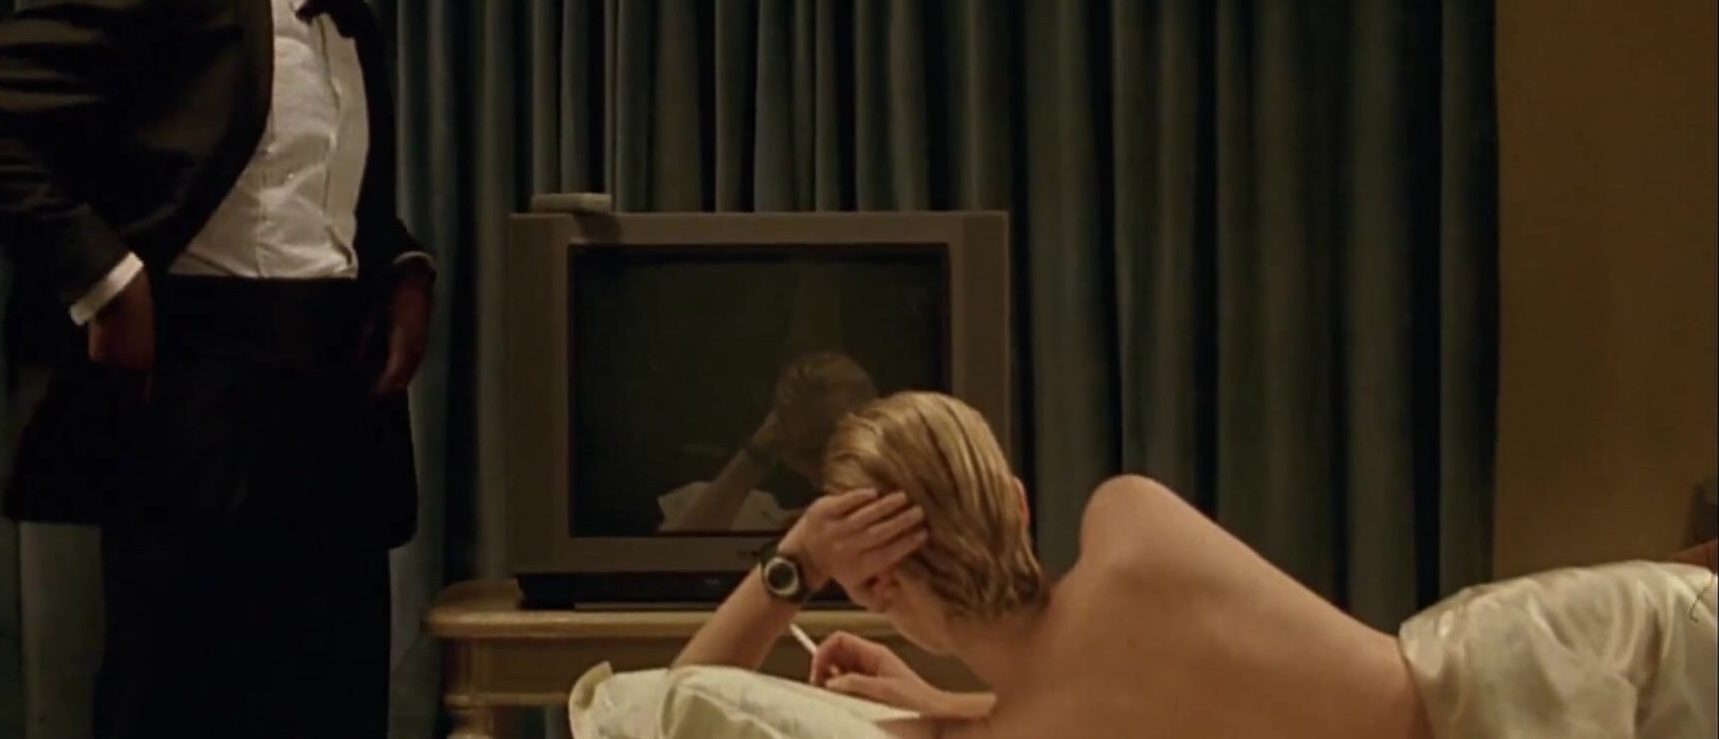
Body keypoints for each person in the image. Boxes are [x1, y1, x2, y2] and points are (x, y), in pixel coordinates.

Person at [0, 0, 445, 738]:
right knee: (176, 704)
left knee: (337, 707)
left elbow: (311, 201)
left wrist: (402, 264)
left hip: (335, 431)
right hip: (198, 421)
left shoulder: (355, 28)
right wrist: (104, 276)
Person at [674, 391, 1718, 739]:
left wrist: (796, 564)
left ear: (875, 587)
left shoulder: (1032, 729)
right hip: (1562, 648)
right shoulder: (1129, 523)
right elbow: (1141, 688)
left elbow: (674, 704)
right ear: (1017, 503)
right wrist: (960, 704)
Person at [660, 350, 878, 532]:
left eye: (838, 446)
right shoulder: (755, 508)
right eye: (812, 451)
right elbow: (679, 558)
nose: (824, 467)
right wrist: (754, 454)